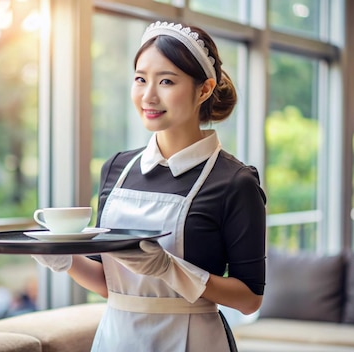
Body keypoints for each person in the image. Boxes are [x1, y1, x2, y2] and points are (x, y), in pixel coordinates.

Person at [33, 21, 266, 352]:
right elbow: (108, 283)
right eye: (140, 79)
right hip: (117, 339)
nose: (148, 95)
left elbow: (249, 299)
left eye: (167, 81)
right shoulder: (116, 168)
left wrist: (171, 269)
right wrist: (65, 259)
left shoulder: (234, 182)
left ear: (204, 89)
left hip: (192, 340)